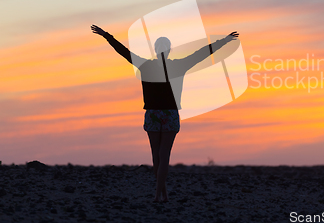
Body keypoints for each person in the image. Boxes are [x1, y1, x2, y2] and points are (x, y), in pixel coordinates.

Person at [91, 24, 239, 202]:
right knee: (164, 155)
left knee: (156, 156)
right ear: (169, 50)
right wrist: (224, 41)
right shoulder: (178, 65)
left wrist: (106, 35)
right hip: (170, 114)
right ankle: (159, 195)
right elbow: (202, 54)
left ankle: (161, 194)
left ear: (155, 50)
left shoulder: (145, 66)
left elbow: (123, 51)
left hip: (153, 113)